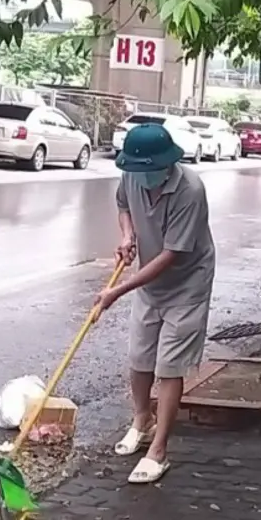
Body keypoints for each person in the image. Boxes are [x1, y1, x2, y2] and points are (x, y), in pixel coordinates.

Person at [94, 122, 215, 484]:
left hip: (186, 282)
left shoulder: (190, 190)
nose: (142, 177)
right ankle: (141, 419)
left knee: (169, 364)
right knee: (140, 356)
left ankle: (158, 449)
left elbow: (172, 256)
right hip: (149, 279)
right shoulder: (132, 173)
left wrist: (118, 290)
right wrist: (128, 235)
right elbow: (122, 205)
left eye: (150, 170)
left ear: (167, 163)